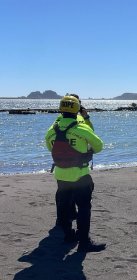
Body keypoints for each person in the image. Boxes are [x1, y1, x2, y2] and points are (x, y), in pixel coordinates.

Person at [45, 95, 105, 252]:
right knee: (84, 208)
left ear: (61, 109)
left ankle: (69, 236)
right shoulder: (81, 127)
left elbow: (49, 147)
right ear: (77, 109)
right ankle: (84, 242)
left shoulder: (52, 130)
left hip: (60, 176)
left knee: (64, 207)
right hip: (80, 176)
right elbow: (99, 146)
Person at [54, 94, 93, 226]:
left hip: (62, 165)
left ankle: (65, 222)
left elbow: (51, 142)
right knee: (75, 199)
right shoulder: (66, 119)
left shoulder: (61, 120)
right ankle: (67, 219)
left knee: (64, 195)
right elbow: (93, 138)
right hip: (75, 165)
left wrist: (86, 117)